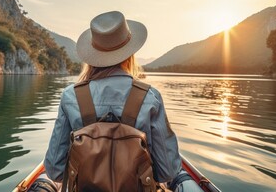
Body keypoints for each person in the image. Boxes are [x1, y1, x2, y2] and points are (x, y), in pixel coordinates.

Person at [44, 11, 199, 191]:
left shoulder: (71, 96)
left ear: (93, 55)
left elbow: (54, 170)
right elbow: (168, 171)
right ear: (129, 54)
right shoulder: (150, 97)